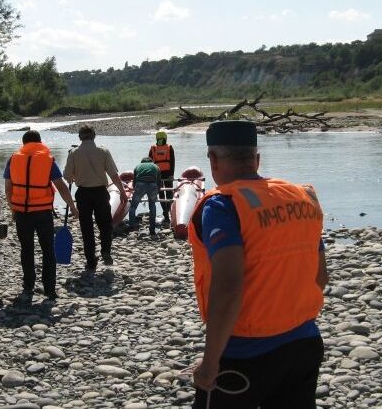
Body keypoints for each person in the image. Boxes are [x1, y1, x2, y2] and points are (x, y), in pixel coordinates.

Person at [187, 120, 328, 408]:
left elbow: (228, 284)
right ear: (257, 158)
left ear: (213, 160)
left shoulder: (222, 205)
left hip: (244, 354)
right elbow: (320, 276)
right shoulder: (302, 197)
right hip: (303, 344)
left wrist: (210, 362)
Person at [4, 130, 78, 300]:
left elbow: (8, 188)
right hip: (43, 212)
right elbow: (61, 186)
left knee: (27, 248)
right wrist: (72, 206)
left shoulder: (13, 159)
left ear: (24, 144)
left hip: (22, 212)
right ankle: (50, 289)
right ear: (40, 142)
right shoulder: (48, 160)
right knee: (48, 250)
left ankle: (28, 285)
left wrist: (13, 208)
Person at [63, 124, 128, 271]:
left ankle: (91, 261)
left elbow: (67, 176)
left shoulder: (73, 153)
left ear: (80, 137)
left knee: (87, 228)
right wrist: (122, 192)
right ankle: (105, 251)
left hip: (83, 193)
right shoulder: (103, 151)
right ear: (94, 136)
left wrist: (75, 175)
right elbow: (114, 175)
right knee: (105, 225)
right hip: (100, 193)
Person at [128, 157, 161, 236]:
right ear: (151, 161)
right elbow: (159, 181)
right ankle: (152, 229)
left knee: (133, 206)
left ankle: (132, 226)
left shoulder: (138, 166)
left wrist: (136, 190)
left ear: (142, 161)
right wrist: (157, 191)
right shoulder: (156, 166)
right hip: (152, 185)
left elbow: (135, 180)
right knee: (152, 205)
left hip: (140, 184)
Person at [149, 130, 175, 223]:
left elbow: (150, 163)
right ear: (165, 138)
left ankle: (165, 212)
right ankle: (167, 211)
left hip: (157, 174)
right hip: (168, 174)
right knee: (169, 193)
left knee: (160, 194)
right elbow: (172, 162)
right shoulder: (169, 147)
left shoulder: (153, 148)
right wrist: (172, 174)